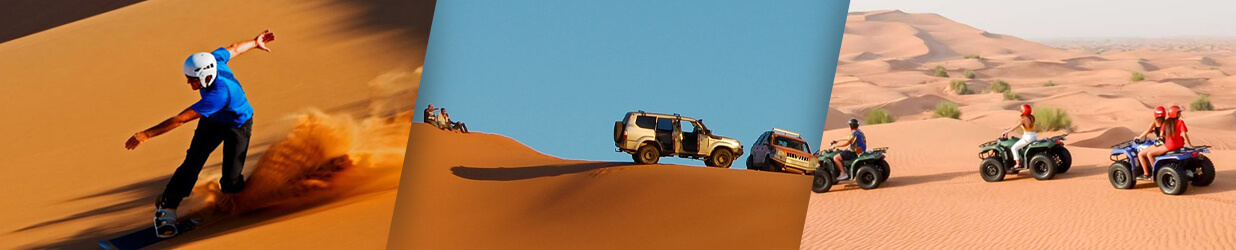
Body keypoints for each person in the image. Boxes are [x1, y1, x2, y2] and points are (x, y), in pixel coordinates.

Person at [124, 30, 275, 238]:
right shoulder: (213, 62)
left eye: (192, 80)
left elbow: (181, 119)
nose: (188, 83)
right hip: (213, 121)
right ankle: (167, 208)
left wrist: (147, 134)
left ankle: (237, 197)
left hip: (238, 125)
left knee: (231, 182)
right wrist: (254, 42)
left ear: (205, 76)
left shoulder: (219, 94)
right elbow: (233, 49)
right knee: (192, 162)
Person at [1138, 105, 1192, 180]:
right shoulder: (1167, 121)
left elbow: (1157, 134)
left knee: (1142, 154)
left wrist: (1139, 137)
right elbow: (1182, 133)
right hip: (1175, 143)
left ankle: (1149, 174)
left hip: (1164, 143)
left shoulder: (1163, 122)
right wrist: (1190, 145)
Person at [1134, 106, 1167, 179]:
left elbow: (1147, 131)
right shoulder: (1166, 122)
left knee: (1140, 154)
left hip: (1160, 142)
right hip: (1167, 142)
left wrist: (1139, 137)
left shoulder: (1155, 122)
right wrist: (1153, 131)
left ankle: (1146, 173)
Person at [1001, 104, 1036, 169]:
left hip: (1028, 138)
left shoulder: (1024, 119)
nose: (1020, 110)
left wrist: (1007, 132)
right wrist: (1007, 129)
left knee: (1014, 148)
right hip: (1033, 136)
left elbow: (1016, 127)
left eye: (1021, 109)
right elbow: (1016, 124)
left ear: (1024, 111)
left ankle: (1017, 163)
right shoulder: (1031, 117)